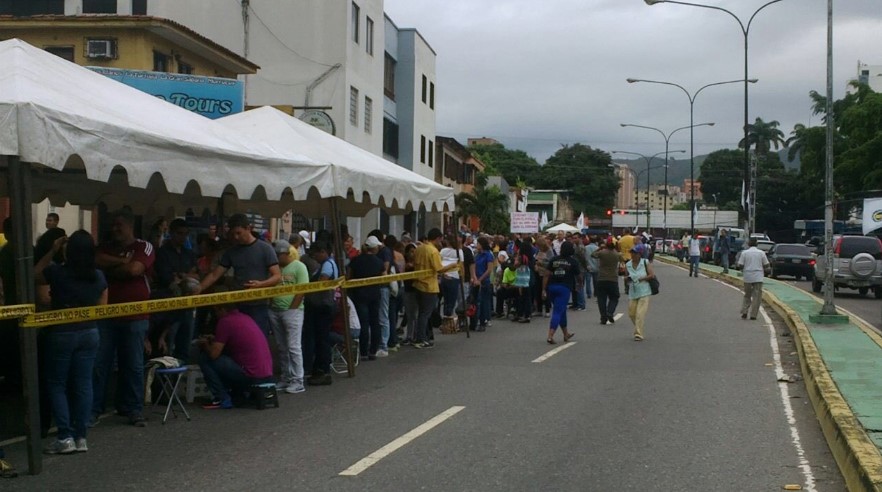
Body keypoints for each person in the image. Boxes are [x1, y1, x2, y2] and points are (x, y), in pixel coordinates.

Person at [35, 231, 107, 454]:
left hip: (62, 332)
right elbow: (103, 306)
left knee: (57, 384)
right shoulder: (98, 276)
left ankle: (64, 436)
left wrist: (52, 251)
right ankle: (81, 436)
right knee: (84, 383)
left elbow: (35, 274)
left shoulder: (58, 272)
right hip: (89, 331)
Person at [92, 209, 155, 427]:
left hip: (135, 316)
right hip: (107, 314)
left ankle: (132, 408)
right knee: (100, 363)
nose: (115, 229)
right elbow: (96, 259)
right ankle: (93, 409)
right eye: (113, 225)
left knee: (133, 364)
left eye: (119, 224)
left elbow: (134, 270)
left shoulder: (143, 247)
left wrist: (111, 269)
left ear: (130, 225)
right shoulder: (105, 247)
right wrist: (121, 260)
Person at [195, 213, 281, 338]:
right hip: (237, 304)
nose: (236, 237)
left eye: (239, 233)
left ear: (248, 228)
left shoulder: (265, 249)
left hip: (258, 305)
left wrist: (260, 284)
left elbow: (277, 276)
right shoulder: (231, 252)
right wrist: (199, 288)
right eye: (233, 234)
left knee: (258, 339)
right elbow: (214, 274)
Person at [197, 300, 274, 409]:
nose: (215, 315)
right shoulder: (245, 317)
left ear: (222, 309)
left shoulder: (225, 321)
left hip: (250, 375)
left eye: (216, 311)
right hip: (266, 373)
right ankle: (235, 393)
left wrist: (205, 345)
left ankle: (221, 397)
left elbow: (214, 354)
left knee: (205, 359)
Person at [154, 218, 199, 361]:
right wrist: (184, 277)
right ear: (172, 233)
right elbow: (166, 278)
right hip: (170, 306)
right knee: (167, 345)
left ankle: (180, 378)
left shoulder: (189, 253)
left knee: (184, 346)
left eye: (186, 234)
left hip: (188, 305)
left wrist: (183, 276)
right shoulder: (162, 252)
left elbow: (196, 275)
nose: (183, 237)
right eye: (180, 233)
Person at [269, 239, 309, 394]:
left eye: (278, 255)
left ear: (286, 254)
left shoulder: (299, 267)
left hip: (293, 311)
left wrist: (293, 308)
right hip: (275, 310)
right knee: (281, 346)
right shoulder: (275, 269)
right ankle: (286, 377)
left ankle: (298, 379)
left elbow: (302, 290)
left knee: (293, 347)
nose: (277, 258)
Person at [412, 228, 457, 348]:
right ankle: (421, 339)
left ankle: (420, 336)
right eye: (440, 239)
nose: (441, 242)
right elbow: (439, 268)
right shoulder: (433, 251)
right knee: (425, 314)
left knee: (421, 313)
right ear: (437, 238)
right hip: (429, 286)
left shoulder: (419, 248)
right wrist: (452, 266)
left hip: (418, 283)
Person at [302, 241, 338, 385]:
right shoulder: (326, 264)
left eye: (316, 254)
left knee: (322, 339)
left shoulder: (327, 265)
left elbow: (322, 283)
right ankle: (319, 369)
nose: (314, 257)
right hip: (320, 306)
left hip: (322, 307)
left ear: (323, 251)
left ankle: (323, 370)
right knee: (320, 339)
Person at [347, 236, 384, 360]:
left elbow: (349, 276)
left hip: (359, 294)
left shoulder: (356, 260)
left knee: (363, 322)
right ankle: (373, 350)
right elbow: (384, 277)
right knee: (375, 322)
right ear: (374, 248)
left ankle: (363, 351)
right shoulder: (379, 262)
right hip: (375, 294)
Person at [542, 241, 580, 344]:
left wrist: (543, 289)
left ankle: (566, 334)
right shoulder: (573, 261)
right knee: (558, 311)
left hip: (552, 287)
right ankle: (550, 335)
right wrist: (579, 285)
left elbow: (546, 274)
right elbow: (579, 276)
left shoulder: (554, 259)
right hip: (564, 288)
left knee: (561, 310)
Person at [626, 244, 655, 341]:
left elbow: (651, 275)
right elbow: (626, 277)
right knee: (631, 313)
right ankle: (639, 327)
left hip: (644, 291)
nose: (633, 255)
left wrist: (641, 278)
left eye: (635, 253)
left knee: (640, 314)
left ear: (639, 254)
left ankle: (638, 333)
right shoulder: (628, 264)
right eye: (632, 253)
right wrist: (627, 279)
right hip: (633, 292)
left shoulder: (645, 262)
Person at [737, 237, 771, 320]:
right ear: (757, 244)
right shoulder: (761, 253)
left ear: (748, 244)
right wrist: (767, 271)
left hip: (747, 276)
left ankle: (744, 312)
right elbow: (766, 265)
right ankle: (753, 315)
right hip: (758, 276)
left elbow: (740, 265)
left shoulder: (744, 253)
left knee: (747, 295)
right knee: (757, 296)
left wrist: (743, 269)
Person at [592, 238, 623, 325]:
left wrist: (599, 248)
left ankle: (603, 317)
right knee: (614, 297)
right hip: (613, 279)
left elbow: (592, 255)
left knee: (601, 299)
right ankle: (610, 312)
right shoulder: (617, 254)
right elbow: (622, 260)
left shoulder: (602, 253)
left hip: (601, 278)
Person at [470, 236, 495, 331]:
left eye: (478, 244)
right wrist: (474, 278)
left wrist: (480, 279)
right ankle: (474, 321)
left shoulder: (488, 255)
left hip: (484, 281)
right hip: (476, 280)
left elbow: (489, 270)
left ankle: (483, 321)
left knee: (483, 302)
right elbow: (474, 266)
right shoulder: (477, 255)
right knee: (475, 301)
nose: (477, 245)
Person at [439, 235, 464, 321]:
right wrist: (462, 278)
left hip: (444, 276)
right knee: (452, 300)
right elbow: (461, 266)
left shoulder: (443, 251)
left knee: (446, 299)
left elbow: (439, 262)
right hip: (454, 276)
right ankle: (448, 318)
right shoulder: (459, 252)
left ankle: (446, 316)